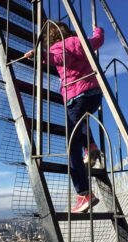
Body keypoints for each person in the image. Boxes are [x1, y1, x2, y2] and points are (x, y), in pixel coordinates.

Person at [25, 22, 104, 213]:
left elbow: (60, 58)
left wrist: (39, 55)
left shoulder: (57, 47)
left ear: (50, 39)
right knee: (81, 121)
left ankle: (84, 193)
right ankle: (91, 146)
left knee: (71, 145)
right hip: (94, 94)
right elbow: (98, 41)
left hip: (76, 95)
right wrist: (97, 29)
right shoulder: (79, 41)